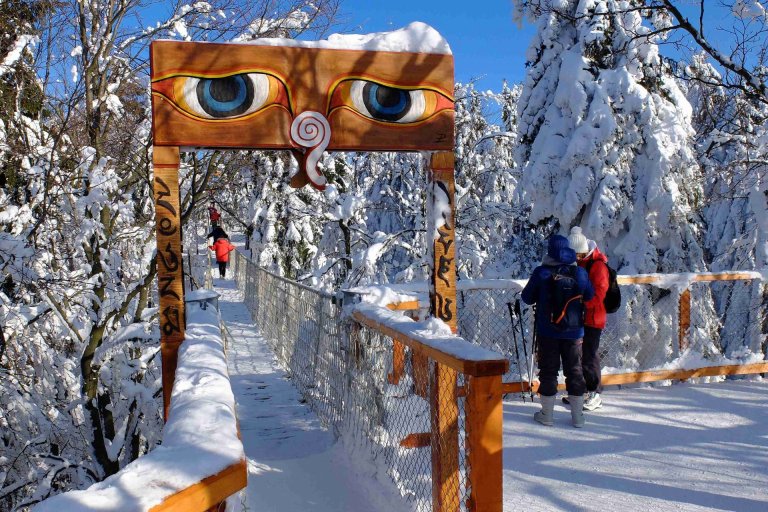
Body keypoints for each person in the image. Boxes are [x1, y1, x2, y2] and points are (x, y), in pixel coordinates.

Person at [522, 234, 594, 428]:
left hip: (548, 331)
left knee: (548, 371)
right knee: (575, 371)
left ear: (550, 251)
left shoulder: (541, 273)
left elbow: (527, 298)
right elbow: (590, 295)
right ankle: (578, 417)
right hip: (574, 332)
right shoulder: (579, 273)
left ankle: (547, 415)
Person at [567, 227, 610, 411]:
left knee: (590, 356)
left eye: (576, 255)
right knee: (579, 356)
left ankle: (595, 393)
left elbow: (599, 293)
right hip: (582, 317)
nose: (574, 258)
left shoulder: (597, 265)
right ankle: (582, 391)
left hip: (593, 318)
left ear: (582, 252)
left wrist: (581, 303)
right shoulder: (581, 263)